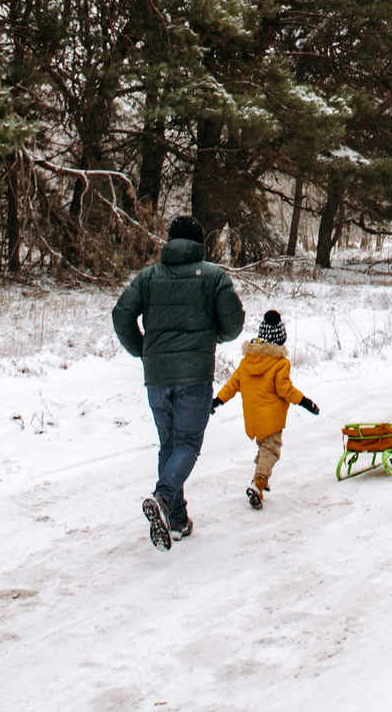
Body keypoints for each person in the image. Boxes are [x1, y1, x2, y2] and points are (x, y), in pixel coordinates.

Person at [112, 214, 245, 550]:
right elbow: (233, 324)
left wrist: (143, 350)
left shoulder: (148, 277)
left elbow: (121, 314)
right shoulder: (214, 276)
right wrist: (214, 335)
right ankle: (163, 497)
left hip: (157, 377)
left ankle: (176, 518)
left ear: (169, 241)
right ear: (199, 242)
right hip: (194, 376)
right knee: (187, 444)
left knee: (169, 445)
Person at [212, 308, 320, 509]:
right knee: (271, 450)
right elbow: (285, 389)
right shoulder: (280, 363)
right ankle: (259, 482)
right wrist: (304, 402)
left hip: (253, 418)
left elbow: (232, 385)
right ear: (280, 339)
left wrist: (217, 401)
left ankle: (259, 481)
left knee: (263, 449)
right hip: (271, 418)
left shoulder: (247, 361)